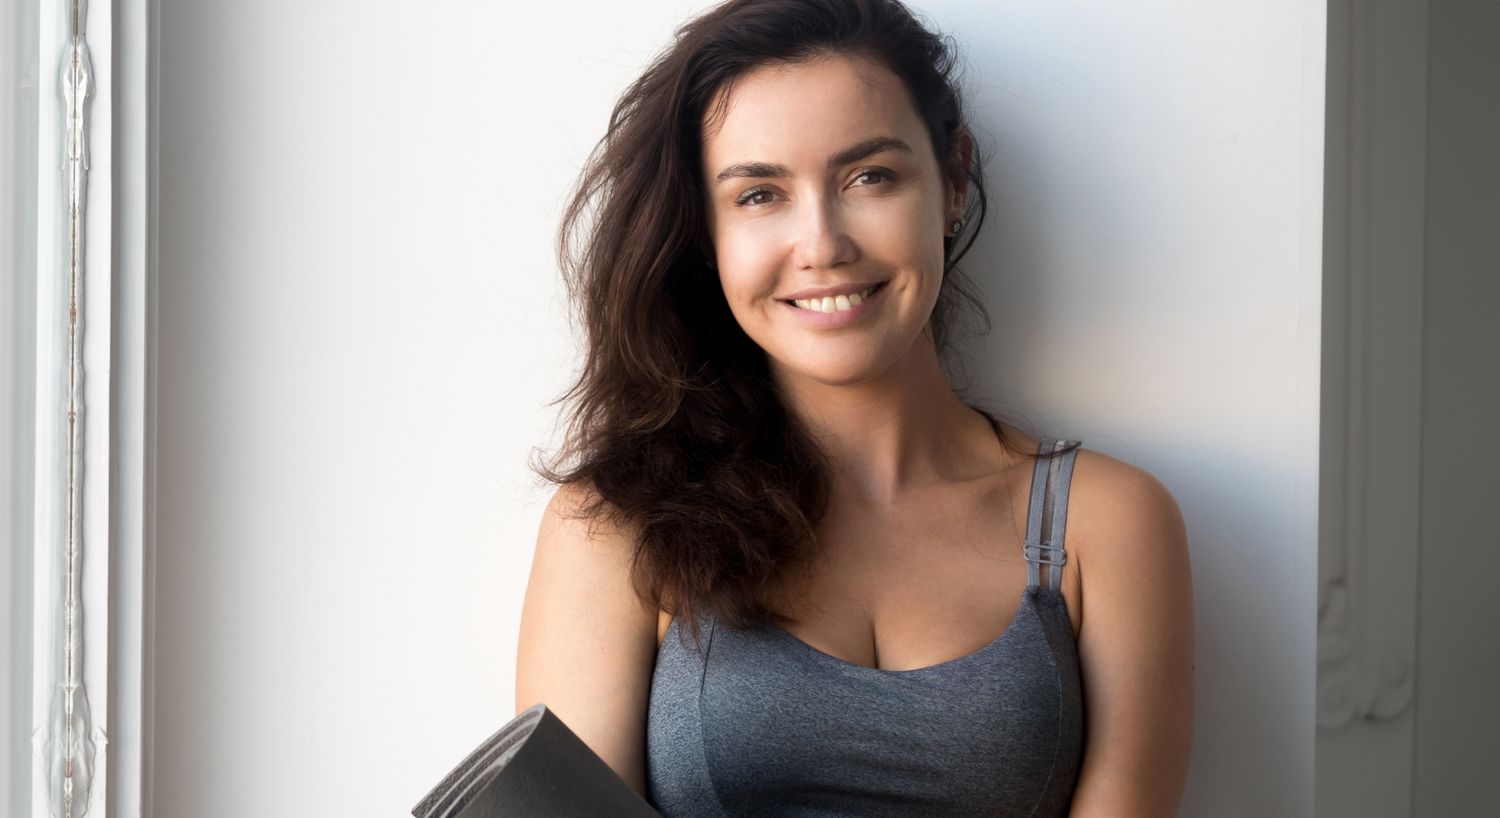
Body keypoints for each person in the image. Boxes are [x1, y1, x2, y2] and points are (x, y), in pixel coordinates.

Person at [515, 0, 1194, 814]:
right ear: (704, 229)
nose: (823, 245)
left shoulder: (1104, 525)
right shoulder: (616, 527)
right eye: (759, 195)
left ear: (952, 180)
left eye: (869, 177)